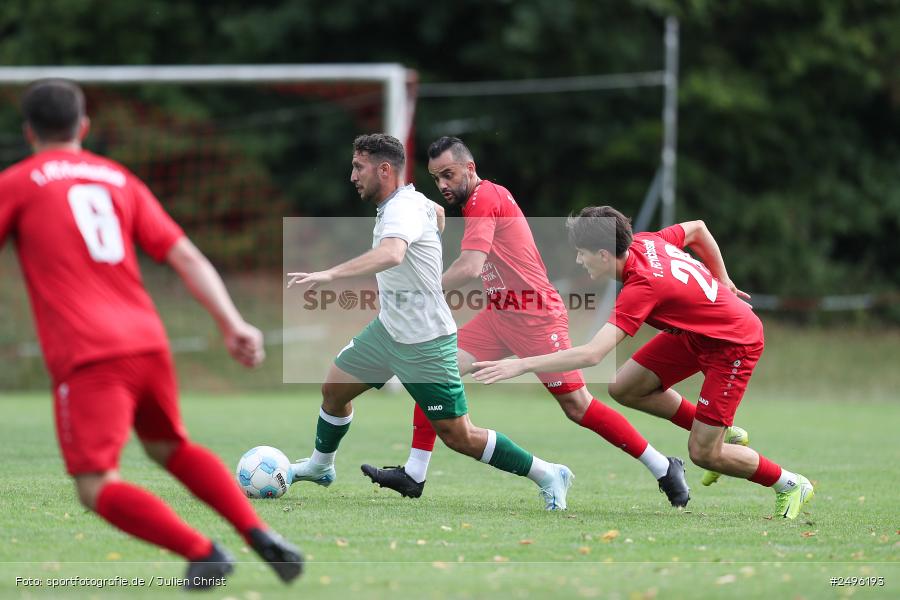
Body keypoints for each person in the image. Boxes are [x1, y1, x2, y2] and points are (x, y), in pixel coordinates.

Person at [0, 79, 303, 589]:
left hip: (90, 354)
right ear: (84, 127)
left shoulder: (18, 182)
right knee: (170, 447)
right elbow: (184, 253)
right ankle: (259, 532)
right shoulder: (119, 179)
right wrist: (232, 322)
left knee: (95, 486)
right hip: (148, 340)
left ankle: (202, 551)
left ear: (28, 131)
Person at [361, 136, 690, 508]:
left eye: (449, 175)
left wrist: (417, 293)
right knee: (434, 374)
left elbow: (469, 266)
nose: (443, 185)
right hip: (500, 315)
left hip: (536, 316)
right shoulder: (475, 202)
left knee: (578, 406)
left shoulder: (485, 197)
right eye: (437, 178)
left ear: (470, 168)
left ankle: (664, 466)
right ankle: (414, 475)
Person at [286, 133, 574, 510]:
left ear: (384, 169)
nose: (352, 175)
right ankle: (320, 466)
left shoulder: (402, 209)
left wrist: (330, 275)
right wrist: (433, 220)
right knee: (334, 389)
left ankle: (548, 473)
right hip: (388, 331)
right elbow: (435, 213)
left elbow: (391, 253)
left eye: (359, 167)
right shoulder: (410, 202)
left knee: (460, 436)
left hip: (425, 342)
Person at [472, 206, 815, 519]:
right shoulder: (645, 242)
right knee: (624, 386)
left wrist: (522, 364)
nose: (578, 260)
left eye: (582, 253)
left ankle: (789, 483)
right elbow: (697, 228)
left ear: (604, 255)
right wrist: (721, 279)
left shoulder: (641, 286)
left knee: (704, 454)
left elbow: (593, 354)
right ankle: (726, 433)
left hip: (732, 345)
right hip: (696, 335)